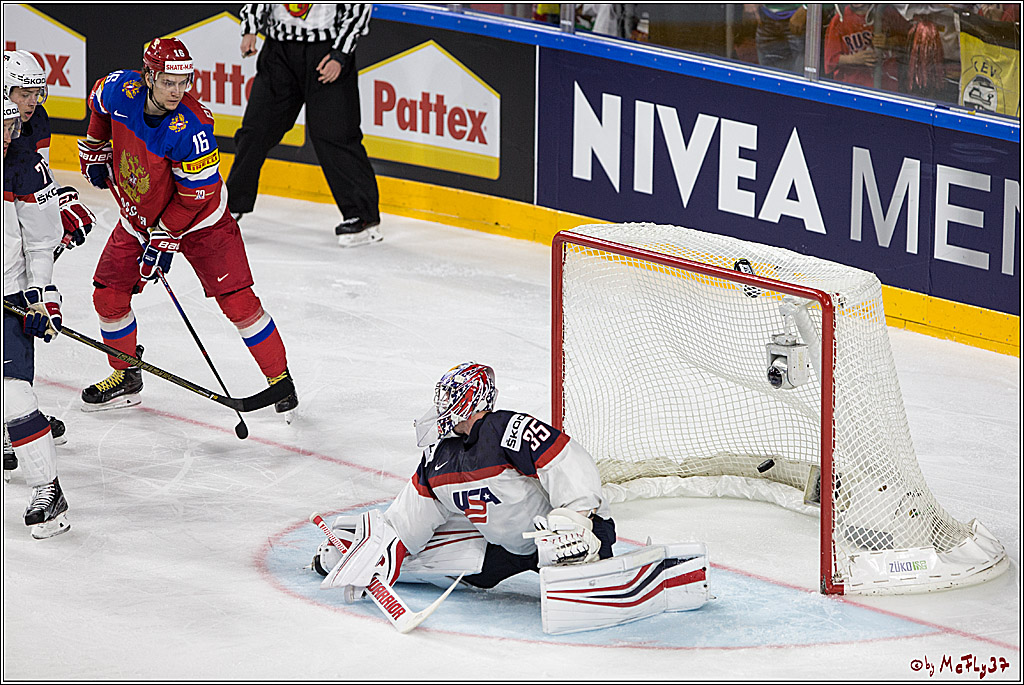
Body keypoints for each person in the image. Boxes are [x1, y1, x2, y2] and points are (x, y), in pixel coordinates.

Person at [77, 37, 297, 416]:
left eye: (184, 82)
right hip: (139, 215)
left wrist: (165, 236)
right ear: (148, 76)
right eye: (167, 82)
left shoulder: (193, 128)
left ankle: (281, 382)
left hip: (203, 223)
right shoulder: (120, 89)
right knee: (108, 296)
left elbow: (194, 197)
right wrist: (97, 145)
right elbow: (97, 103)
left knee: (239, 303)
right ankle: (126, 375)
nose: (177, 91)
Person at [312, 362, 616, 591]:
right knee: (452, 565)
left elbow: (569, 461)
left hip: (558, 541)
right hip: (504, 548)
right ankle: (348, 554)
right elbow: (409, 520)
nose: (442, 405)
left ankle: (591, 567)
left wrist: (574, 520)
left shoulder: (506, 429)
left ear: (470, 400)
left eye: (450, 397)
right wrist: (383, 551)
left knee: (565, 543)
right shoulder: (438, 457)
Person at [3, 50, 98, 476]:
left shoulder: (32, 128)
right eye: (24, 93)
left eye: (37, 92)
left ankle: (19, 425)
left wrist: (57, 203)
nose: (32, 102)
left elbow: (35, 184)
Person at [227, 4, 381, 248]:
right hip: (278, 53)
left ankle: (363, 217)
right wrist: (250, 28)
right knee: (255, 129)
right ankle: (232, 206)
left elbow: (359, 9)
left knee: (335, 135)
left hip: (327, 52)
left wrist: (340, 54)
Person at [3, 93, 71, 538]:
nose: (9, 136)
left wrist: (41, 298)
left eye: (11, 126)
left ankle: (49, 493)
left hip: (8, 294)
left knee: (13, 393)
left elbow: (42, 242)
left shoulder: (24, 164)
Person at [823, 4, 911, 92]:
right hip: (853, 90)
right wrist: (853, 59)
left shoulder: (888, 12)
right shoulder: (839, 20)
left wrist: (889, 42)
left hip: (888, 89)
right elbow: (830, 60)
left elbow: (910, 41)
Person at [755, 4, 807, 74]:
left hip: (798, 19)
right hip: (766, 17)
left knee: (799, 77)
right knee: (767, 76)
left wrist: (806, 8)